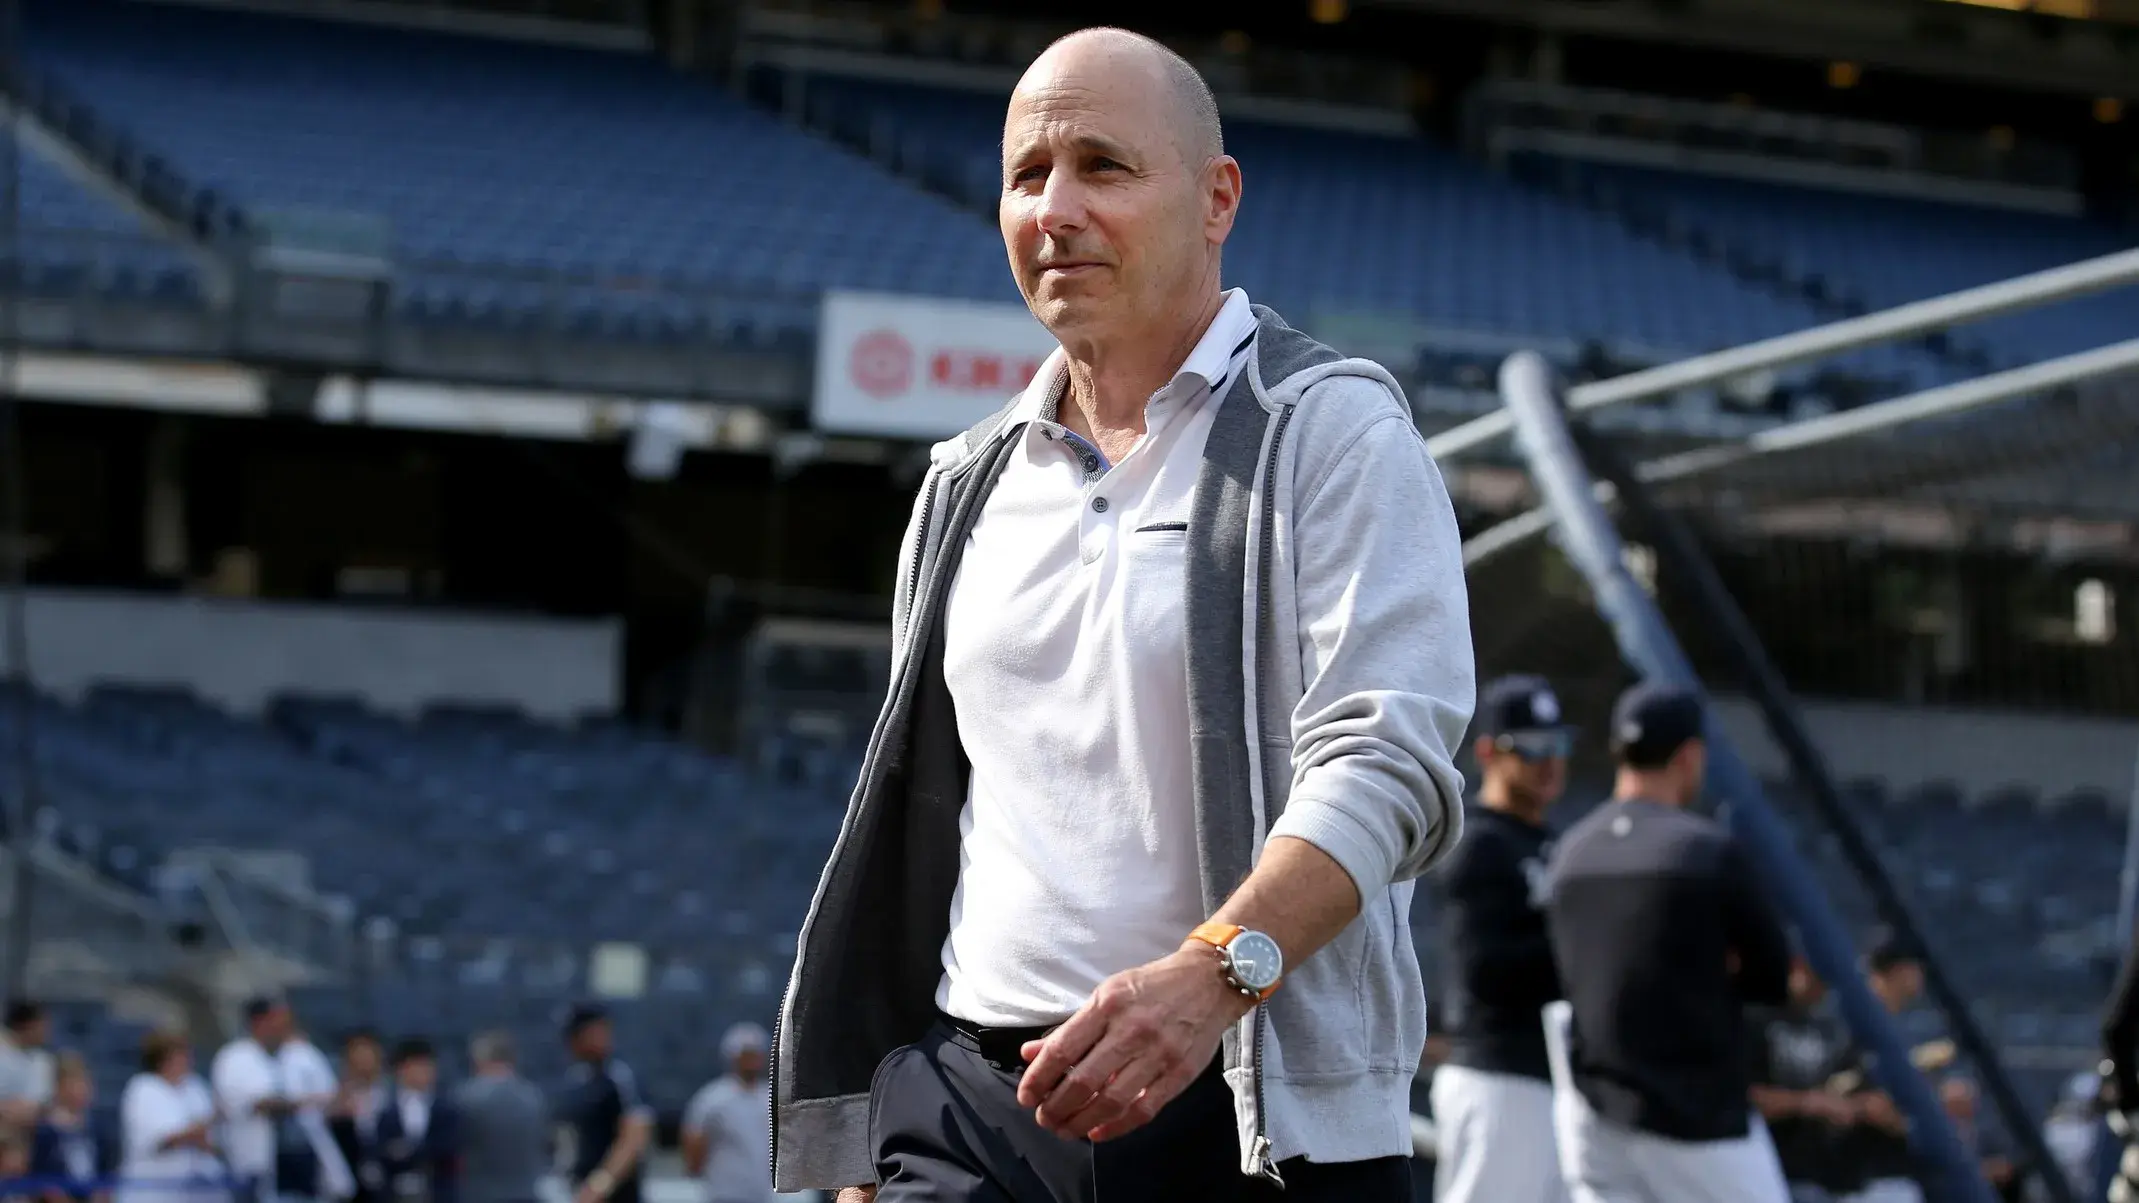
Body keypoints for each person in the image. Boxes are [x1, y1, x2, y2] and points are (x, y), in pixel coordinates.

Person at [770, 26, 1474, 1203]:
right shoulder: (966, 477)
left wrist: (1212, 980)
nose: (1056, 209)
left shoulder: (1335, 433)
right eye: (1026, 175)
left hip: (1248, 1109)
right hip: (971, 1108)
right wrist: (875, 1128)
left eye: (1103, 165)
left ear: (1216, 200)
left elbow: (1390, 760)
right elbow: (930, 817)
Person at [1543, 682, 1793, 1203]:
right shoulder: (1705, 850)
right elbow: (1773, 979)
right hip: (1698, 1119)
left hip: (1595, 1115)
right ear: (1689, 756)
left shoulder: (1570, 854)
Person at [1428, 674, 1573, 1203]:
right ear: (1489, 751)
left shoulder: (1552, 841)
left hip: (1550, 1076)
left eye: (1557, 744)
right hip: (1498, 1074)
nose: (1549, 761)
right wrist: (1587, 958)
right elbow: (1486, 968)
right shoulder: (1481, 841)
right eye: (1531, 748)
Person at [211, 997, 351, 1203]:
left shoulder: (301, 1053)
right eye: (278, 1019)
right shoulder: (234, 1058)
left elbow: (334, 1098)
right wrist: (301, 1102)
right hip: (257, 1162)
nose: (285, 1025)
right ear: (259, 1021)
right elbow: (257, 1104)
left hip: (304, 1158)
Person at [1746, 956, 1860, 1202]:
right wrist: (1809, 1103)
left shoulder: (1825, 1028)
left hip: (1817, 1176)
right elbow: (1741, 1098)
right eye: (1817, 978)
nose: (1822, 989)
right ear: (1797, 966)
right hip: (1762, 1169)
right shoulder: (1754, 1018)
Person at [1829, 934, 1928, 1203]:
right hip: (1863, 1179)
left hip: (1890, 1174)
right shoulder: (1855, 1026)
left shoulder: (1891, 1029)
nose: (1921, 975)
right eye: (1916, 966)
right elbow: (1844, 1094)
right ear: (1898, 969)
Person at [555, 1006, 650, 1203]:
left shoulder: (618, 1077)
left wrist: (601, 1183)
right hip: (579, 1188)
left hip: (616, 1194)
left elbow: (634, 1138)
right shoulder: (575, 1080)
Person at [118, 1030, 222, 1203]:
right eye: (180, 1054)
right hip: (151, 1192)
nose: (188, 1060)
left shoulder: (195, 1087)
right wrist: (194, 1133)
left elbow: (210, 1139)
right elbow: (161, 1139)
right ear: (162, 1059)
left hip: (193, 1191)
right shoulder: (142, 1088)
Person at [682, 1023, 772, 1203]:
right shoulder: (712, 1098)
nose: (752, 1060)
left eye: (756, 1054)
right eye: (746, 1055)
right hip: (725, 1194)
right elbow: (694, 1141)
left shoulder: (769, 1096)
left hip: (762, 1195)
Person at [450, 1033, 545, 1203]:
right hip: (527, 1193)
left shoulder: (465, 1098)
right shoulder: (535, 1098)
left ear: (478, 1059)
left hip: (480, 1194)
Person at [372, 1041, 453, 1203]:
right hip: (394, 1190)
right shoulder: (383, 1107)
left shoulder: (447, 1108)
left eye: (428, 1067)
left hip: (436, 1189)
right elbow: (378, 1147)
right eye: (417, 1066)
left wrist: (409, 1150)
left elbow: (448, 1146)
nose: (425, 1072)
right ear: (401, 1070)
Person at [31, 1053, 114, 1203]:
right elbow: (41, 1177)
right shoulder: (45, 1130)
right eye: (74, 1084)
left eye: (84, 1083)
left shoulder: (98, 1129)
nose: (81, 1090)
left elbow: (106, 1170)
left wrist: (101, 1196)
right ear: (59, 1087)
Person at [327, 1032, 388, 1203]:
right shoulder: (335, 1098)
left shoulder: (390, 1095)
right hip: (348, 1172)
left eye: (368, 1056)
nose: (363, 1063)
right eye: (357, 1057)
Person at [0, 1002, 52, 1129]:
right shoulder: (3, 1054)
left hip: (31, 1129)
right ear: (27, 1025)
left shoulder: (43, 1061)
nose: (46, 1032)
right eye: (41, 1026)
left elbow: (40, 1103)